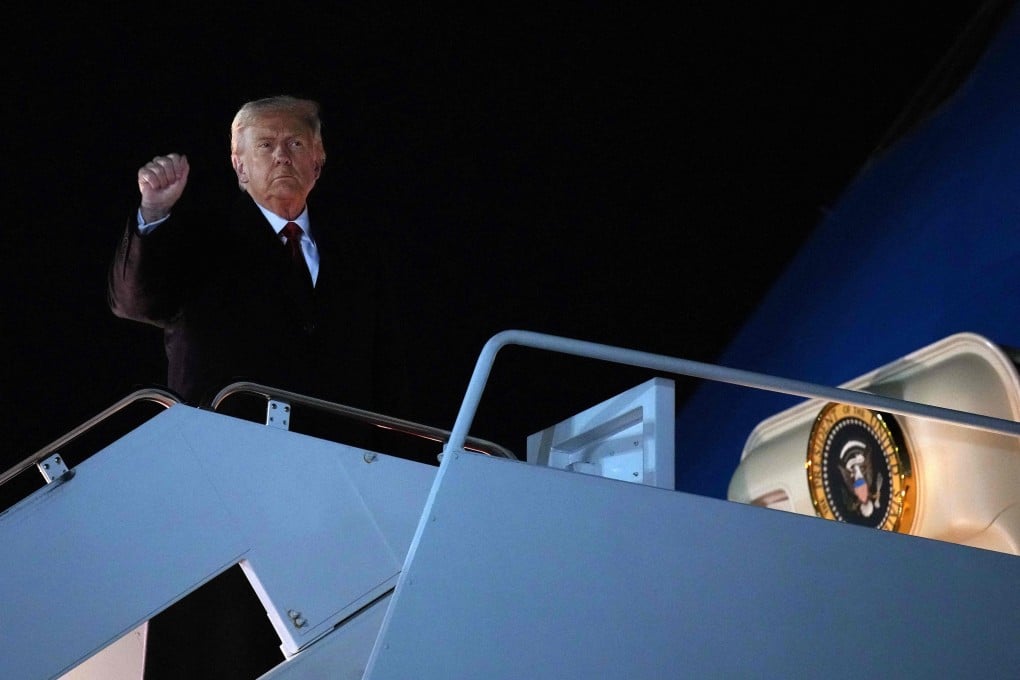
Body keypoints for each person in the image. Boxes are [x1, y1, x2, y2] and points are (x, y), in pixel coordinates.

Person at [107, 95, 409, 678]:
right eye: (266, 145)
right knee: (223, 648)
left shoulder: (358, 256)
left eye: (295, 144)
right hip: (225, 485)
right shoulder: (202, 238)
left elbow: (386, 380)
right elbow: (135, 299)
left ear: (319, 159)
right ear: (239, 164)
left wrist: (401, 480)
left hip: (337, 496)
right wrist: (154, 211)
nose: (282, 156)